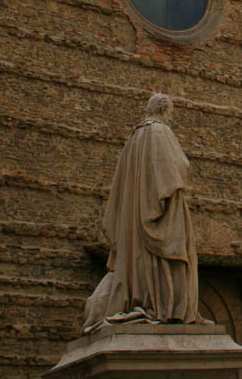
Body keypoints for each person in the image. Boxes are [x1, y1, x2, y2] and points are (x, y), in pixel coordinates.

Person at [83, 93, 201, 331]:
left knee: (140, 258)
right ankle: (165, 306)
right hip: (159, 212)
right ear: (165, 110)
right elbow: (177, 170)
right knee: (175, 253)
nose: (171, 117)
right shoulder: (160, 132)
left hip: (135, 217)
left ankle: (144, 298)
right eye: (171, 112)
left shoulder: (134, 138)